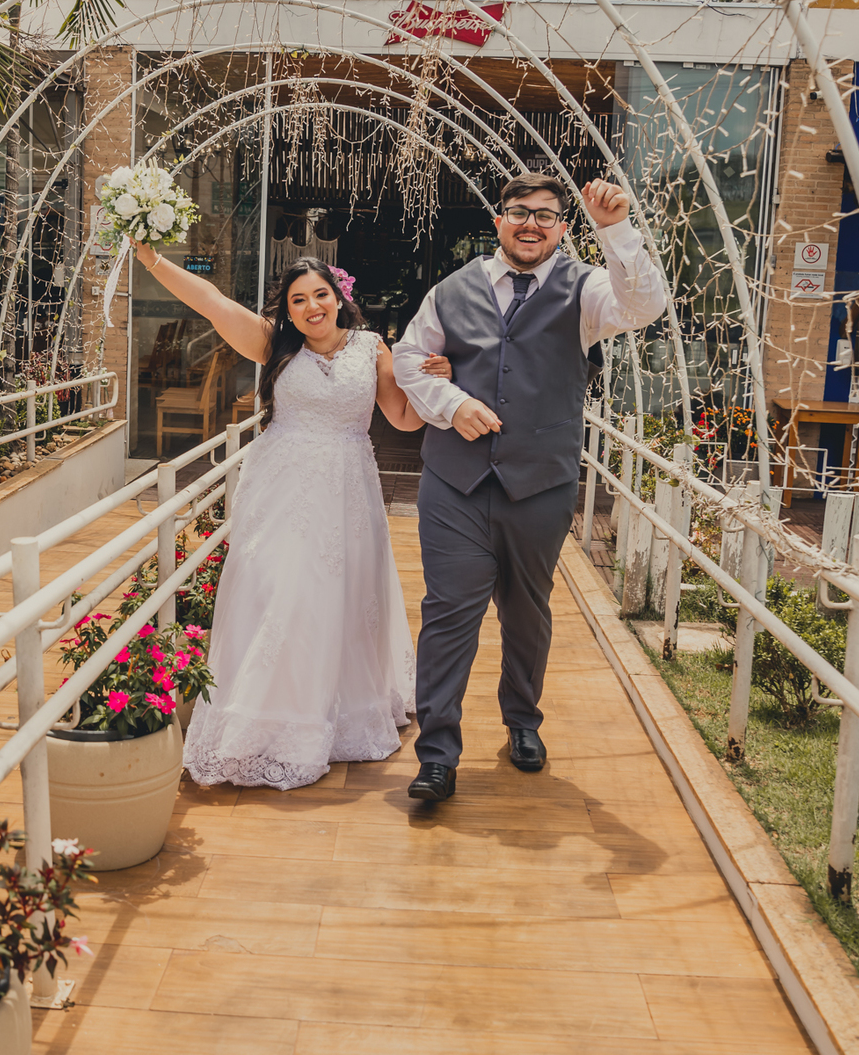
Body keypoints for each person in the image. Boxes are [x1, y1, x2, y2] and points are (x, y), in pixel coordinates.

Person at [392, 175, 668, 803]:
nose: (531, 224)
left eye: (546, 215)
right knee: (448, 613)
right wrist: (451, 401)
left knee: (526, 611)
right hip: (454, 483)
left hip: (539, 482)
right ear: (499, 221)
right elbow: (409, 358)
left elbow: (644, 306)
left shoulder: (588, 289)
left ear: (563, 227)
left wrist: (616, 229)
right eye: (519, 212)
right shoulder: (450, 289)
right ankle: (436, 754)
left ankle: (522, 721)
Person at [132, 243, 447, 791]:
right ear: (288, 309)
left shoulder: (374, 348)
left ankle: (332, 712)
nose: (310, 307)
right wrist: (153, 260)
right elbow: (210, 301)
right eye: (298, 300)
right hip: (280, 489)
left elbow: (402, 418)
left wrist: (432, 380)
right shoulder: (272, 343)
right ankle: (262, 719)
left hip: (349, 488)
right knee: (276, 591)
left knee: (340, 595)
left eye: (319, 295)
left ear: (339, 297)